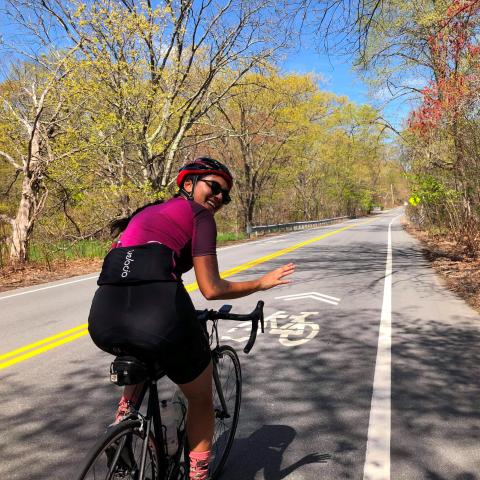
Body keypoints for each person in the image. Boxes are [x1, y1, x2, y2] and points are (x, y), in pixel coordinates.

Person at [88, 157, 295, 480]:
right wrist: (261, 283)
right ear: (188, 184)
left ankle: (124, 418)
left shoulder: (144, 213)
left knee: (146, 345)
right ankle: (197, 475)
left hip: (103, 316)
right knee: (199, 397)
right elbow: (211, 289)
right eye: (214, 187)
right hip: (158, 314)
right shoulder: (199, 215)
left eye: (224, 196)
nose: (219, 198)